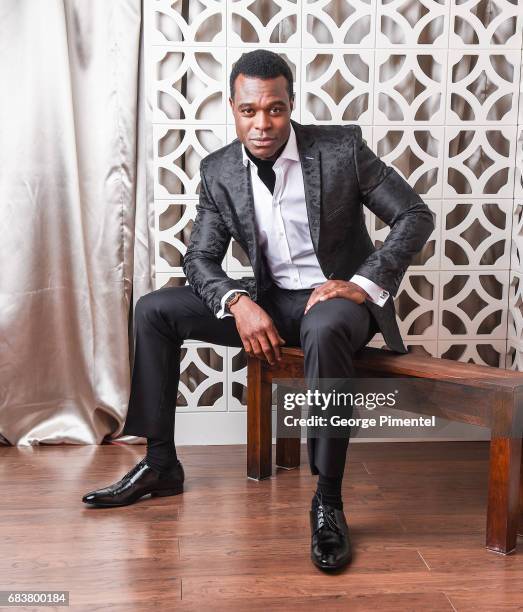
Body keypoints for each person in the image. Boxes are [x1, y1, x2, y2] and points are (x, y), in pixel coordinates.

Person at [82, 49, 434, 572]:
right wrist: (237, 300)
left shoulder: (341, 150)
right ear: (233, 107)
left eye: (274, 109)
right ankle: (160, 464)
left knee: (328, 325)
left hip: (333, 303)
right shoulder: (219, 169)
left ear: (291, 105)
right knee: (155, 310)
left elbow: (413, 214)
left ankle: (328, 500)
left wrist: (361, 285)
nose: (262, 123)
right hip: (268, 299)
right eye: (249, 110)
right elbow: (199, 256)